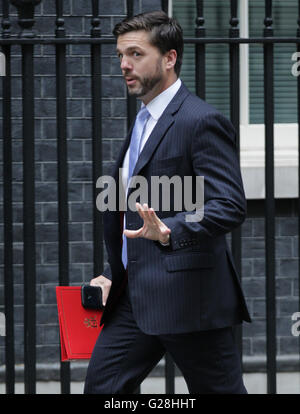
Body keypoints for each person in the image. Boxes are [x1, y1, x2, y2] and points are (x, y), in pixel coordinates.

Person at [84, 10, 251, 394]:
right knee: (102, 389)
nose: (124, 64)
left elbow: (229, 203)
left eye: (136, 54)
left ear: (170, 57)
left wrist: (169, 230)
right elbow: (134, 206)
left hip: (190, 299)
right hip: (133, 297)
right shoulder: (142, 121)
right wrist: (116, 271)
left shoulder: (200, 120)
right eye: (120, 55)